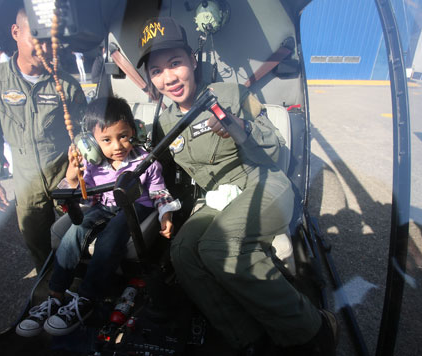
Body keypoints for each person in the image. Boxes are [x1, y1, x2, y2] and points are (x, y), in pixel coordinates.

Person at [136, 17, 337, 355]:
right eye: (157, 71)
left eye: (175, 63)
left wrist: (238, 125)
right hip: (215, 198)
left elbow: (273, 150)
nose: (168, 78)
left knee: (218, 246)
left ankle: (313, 330)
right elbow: (156, 166)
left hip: (263, 183)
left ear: (192, 61)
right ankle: (248, 339)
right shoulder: (165, 120)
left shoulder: (229, 94)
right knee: (182, 253)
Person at [16, 96, 180, 337]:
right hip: (103, 206)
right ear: (93, 142)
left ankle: (86, 298)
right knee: (74, 232)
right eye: (106, 140)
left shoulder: (145, 162)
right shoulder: (93, 166)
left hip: (135, 207)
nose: (117, 146)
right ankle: (55, 296)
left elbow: (158, 191)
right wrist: (73, 178)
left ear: (133, 132)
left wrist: (166, 214)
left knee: (109, 239)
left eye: (123, 136)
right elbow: (86, 200)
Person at [0, 8, 87, 271]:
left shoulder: (67, 85)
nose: (47, 47)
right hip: (25, 181)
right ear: (16, 32)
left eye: (53, 40)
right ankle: (48, 287)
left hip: (64, 175)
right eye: (39, 38)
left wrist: (76, 172)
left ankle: (76, 287)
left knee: (75, 236)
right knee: (36, 241)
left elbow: (84, 132)